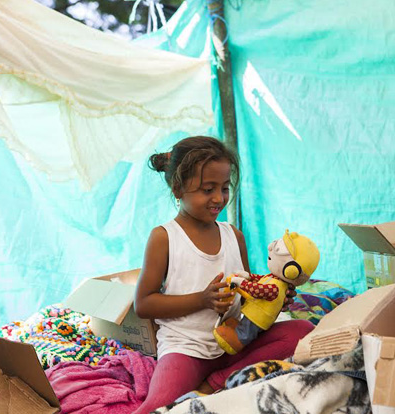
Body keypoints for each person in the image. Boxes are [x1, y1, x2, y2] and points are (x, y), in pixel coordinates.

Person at [133, 136, 314, 413]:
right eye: (208, 189)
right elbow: (144, 304)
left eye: (225, 188)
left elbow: (248, 297)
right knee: (155, 409)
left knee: (302, 332)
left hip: (236, 345)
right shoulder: (164, 238)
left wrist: (275, 298)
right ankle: (217, 383)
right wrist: (202, 299)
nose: (219, 198)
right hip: (187, 350)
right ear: (178, 188)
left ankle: (215, 383)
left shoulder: (233, 236)